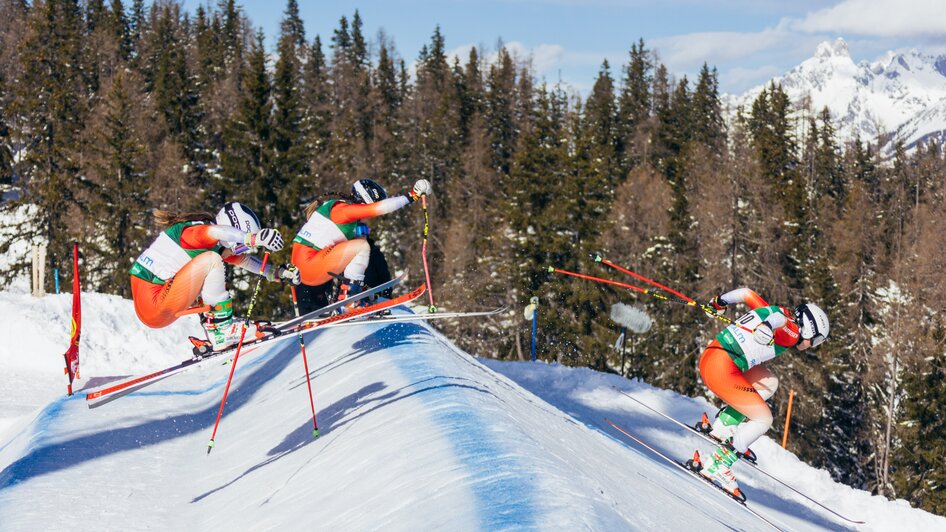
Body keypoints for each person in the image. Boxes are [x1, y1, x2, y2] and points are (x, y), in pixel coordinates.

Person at [694, 287, 830, 498]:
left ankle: (725, 426)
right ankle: (718, 465)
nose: (813, 345)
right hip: (721, 370)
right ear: (809, 329)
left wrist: (719, 302)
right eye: (817, 339)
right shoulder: (792, 332)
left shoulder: (776, 310)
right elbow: (781, 322)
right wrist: (768, 325)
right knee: (764, 420)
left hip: (712, 356)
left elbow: (746, 293)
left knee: (769, 382)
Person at [129, 202, 300, 351]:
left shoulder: (211, 245)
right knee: (212, 260)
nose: (238, 250)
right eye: (240, 245)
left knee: (213, 261)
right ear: (233, 229)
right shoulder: (196, 233)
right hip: (155, 304)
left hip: (155, 305)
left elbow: (245, 261)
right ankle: (222, 330)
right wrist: (252, 238)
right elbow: (217, 232)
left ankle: (217, 328)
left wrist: (278, 273)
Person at [290, 178, 431, 310]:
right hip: (309, 265)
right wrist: (413, 195)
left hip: (304, 270)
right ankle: (350, 299)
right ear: (365, 202)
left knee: (359, 242)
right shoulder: (344, 210)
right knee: (361, 246)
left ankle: (350, 294)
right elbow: (381, 208)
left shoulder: (338, 209)